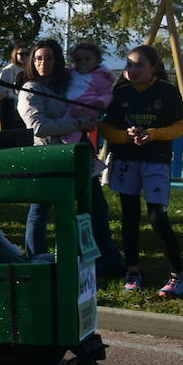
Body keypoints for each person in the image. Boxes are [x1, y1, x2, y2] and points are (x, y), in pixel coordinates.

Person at [100, 45, 183, 298]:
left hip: (156, 161)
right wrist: (126, 137)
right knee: (129, 216)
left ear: (154, 67)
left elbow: (181, 126)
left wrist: (154, 134)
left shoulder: (166, 91)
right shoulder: (119, 93)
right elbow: (107, 130)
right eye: (129, 64)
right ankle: (133, 271)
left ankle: (178, 276)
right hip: (126, 161)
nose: (133, 69)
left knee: (157, 217)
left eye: (139, 64)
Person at [17, 39, 98, 257]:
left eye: (49, 58)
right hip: (47, 157)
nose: (44, 62)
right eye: (38, 58)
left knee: (89, 207)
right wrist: (78, 124)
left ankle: (86, 256)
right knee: (40, 209)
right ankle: (36, 257)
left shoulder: (66, 85)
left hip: (76, 154)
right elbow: (38, 127)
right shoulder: (30, 89)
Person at [67, 42, 124, 276]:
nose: (81, 64)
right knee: (84, 205)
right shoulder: (67, 76)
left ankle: (101, 254)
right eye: (78, 60)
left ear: (96, 60)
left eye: (87, 60)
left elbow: (104, 98)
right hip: (67, 136)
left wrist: (91, 109)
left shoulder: (100, 78)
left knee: (94, 204)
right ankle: (88, 253)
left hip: (79, 137)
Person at [0, 45, 28, 130]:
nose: (24, 56)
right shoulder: (9, 69)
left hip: (25, 106)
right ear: (15, 55)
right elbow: (4, 91)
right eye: (21, 54)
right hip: (11, 107)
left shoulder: (27, 70)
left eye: (27, 54)